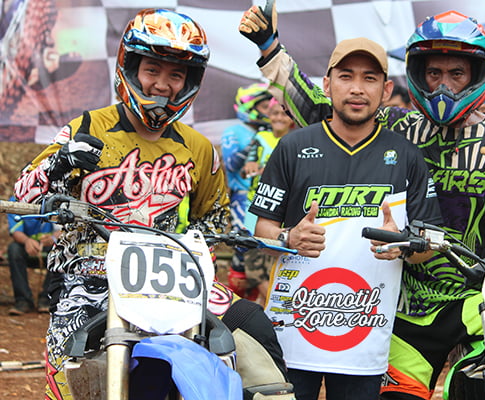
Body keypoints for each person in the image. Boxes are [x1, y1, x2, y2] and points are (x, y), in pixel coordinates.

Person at [239, 4, 485, 399]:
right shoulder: (398, 127)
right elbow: (323, 109)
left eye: (456, 74)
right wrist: (271, 51)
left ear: (477, 75)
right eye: (434, 73)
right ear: (418, 74)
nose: (444, 86)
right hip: (406, 307)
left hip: (484, 304)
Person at [13, 9, 290, 400]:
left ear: (190, 81)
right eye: (152, 70)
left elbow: (214, 217)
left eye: (176, 74)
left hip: (170, 280)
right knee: (73, 373)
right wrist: (58, 165)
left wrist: (197, 248)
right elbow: (23, 197)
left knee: (253, 324)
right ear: (130, 68)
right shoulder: (86, 128)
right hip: (91, 278)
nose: (162, 84)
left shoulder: (198, 148)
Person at [246, 35, 443, 400]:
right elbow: (262, 231)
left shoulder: (406, 155)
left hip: (365, 339)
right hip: (292, 332)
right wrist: (289, 238)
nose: (357, 88)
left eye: (369, 78)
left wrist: (404, 245)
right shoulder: (292, 147)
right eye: (346, 76)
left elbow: (430, 243)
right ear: (327, 84)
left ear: (385, 91)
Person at [221, 83, 273, 299]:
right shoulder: (234, 132)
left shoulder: (271, 133)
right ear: (250, 107)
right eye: (264, 106)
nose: (269, 111)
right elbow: (232, 163)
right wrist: (256, 143)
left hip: (267, 199)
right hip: (242, 199)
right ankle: (234, 305)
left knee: (265, 254)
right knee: (244, 251)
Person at [242, 97, 296, 304]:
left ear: (291, 119)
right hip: (255, 207)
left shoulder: (296, 141)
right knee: (254, 264)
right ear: (268, 116)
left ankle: (276, 304)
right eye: (274, 113)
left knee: (277, 260)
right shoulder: (260, 137)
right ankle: (271, 304)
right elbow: (248, 165)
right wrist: (251, 167)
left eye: (284, 114)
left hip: (284, 210)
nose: (279, 118)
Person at [7, 195, 61, 315]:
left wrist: (53, 238)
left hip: (49, 246)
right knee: (14, 249)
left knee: (60, 250)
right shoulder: (16, 200)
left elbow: (63, 228)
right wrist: (27, 241)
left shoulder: (54, 198)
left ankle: (47, 298)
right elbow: (16, 231)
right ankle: (23, 300)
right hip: (26, 246)